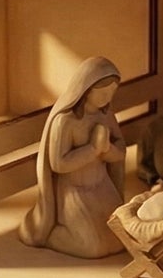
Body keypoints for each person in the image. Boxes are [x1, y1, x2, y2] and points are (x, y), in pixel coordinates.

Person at [18, 56, 126, 258]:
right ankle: (51, 233)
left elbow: (120, 150)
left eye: (112, 92)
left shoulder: (106, 115)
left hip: (101, 187)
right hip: (74, 192)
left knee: (122, 238)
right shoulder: (65, 121)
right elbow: (59, 163)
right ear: (85, 89)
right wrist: (93, 149)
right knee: (93, 247)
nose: (108, 97)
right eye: (103, 92)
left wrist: (107, 149)